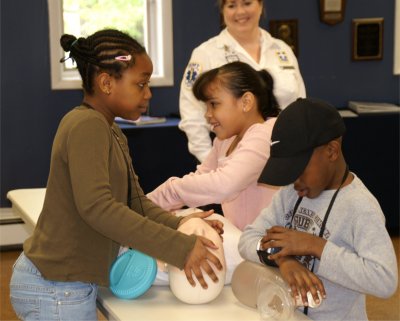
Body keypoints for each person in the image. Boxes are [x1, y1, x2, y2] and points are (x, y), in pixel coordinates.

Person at [9, 29, 224, 321]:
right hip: (56, 288)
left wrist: (180, 224)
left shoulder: (109, 129)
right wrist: (180, 248)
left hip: (65, 284)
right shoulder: (87, 126)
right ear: (107, 82)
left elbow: (135, 201)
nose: (149, 93)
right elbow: (98, 209)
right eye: (141, 84)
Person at [238, 98, 398, 320]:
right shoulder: (290, 193)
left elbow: (384, 280)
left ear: (331, 151)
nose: (294, 180)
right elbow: (247, 239)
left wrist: (315, 246)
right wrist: (283, 259)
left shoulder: (361, 207)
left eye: (299, 169)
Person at [148, 61, 280, 231]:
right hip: (244, 239)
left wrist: (171, 190)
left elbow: (224, 185)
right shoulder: (224, 141)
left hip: (263, 245)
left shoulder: (265, 134)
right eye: (206, 106)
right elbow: (200, 180)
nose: (207, 114)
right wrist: (148, 206)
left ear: (246, 102)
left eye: (214, 104)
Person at [179, 0, 306, 162]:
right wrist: (211, 162)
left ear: (260, 5)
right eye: (231, 5)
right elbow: (192, 115)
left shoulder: (282, 50)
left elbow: (301, 105)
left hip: (285, 157)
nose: (240, 12)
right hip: (232, 159)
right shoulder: (206, 53)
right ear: (222, 10)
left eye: (247, 3)